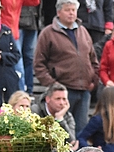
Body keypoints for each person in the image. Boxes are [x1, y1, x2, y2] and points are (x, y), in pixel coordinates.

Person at [32, 0, 98, 131]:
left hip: (84, 91)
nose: (71, 13)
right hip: (62, 91)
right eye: (68, 10)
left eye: (73, 10)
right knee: (61, 132)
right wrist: (54, 85)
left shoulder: (83, 31)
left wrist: (93, 80)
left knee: (80, 131)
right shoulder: (48, 33)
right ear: (58, 12)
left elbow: (93, 59)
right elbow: (39, 64)